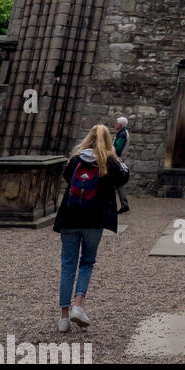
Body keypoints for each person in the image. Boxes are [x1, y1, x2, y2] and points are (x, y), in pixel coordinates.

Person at [54, 124, 128, 333]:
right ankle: (78, 305)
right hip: (93, 222)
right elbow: (124, 178)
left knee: (68, 265)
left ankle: (63, 318)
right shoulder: (109, 162)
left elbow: (68, 178)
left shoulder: (76, 160)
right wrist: (115, 156)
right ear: (107, 141)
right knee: (87, 262)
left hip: (70, 219)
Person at [113, 115, 130, 214]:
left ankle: (124, 205)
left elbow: (118, 148)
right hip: (119, 159)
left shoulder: (122, 134)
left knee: (119, 183)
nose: (115, 124)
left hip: (118, 159)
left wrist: (113, 156)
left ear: (121, 124)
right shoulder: (122, 133)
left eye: (117, 123)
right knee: (119, 184)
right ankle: (124, 204)